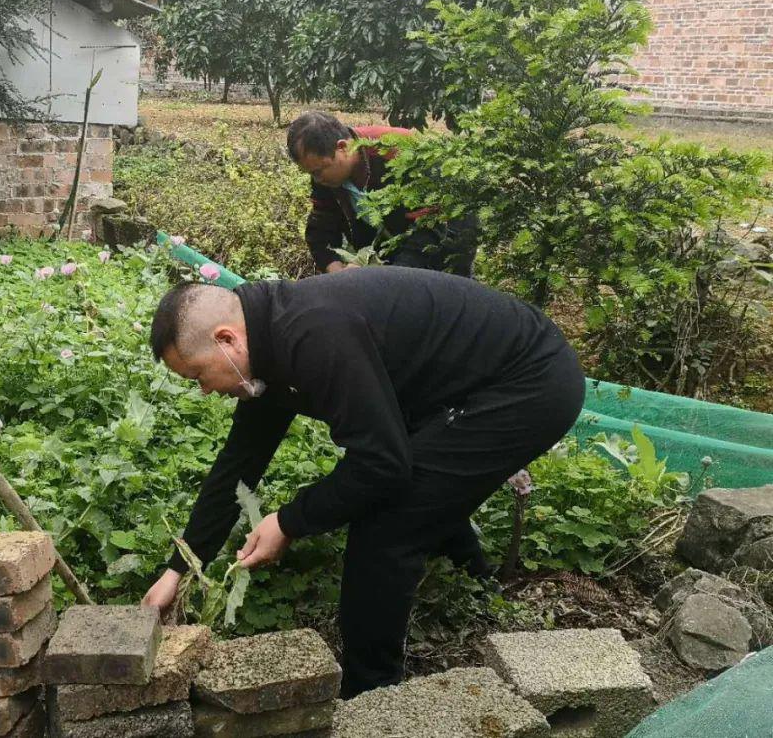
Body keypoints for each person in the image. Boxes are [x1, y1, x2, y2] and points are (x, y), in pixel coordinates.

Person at [142, 267, 584, 698]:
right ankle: (473, 578)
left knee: (387, 525)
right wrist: (179, 568)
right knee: (422, 479)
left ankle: (372, 696)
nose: (204, 391)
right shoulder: (266, 347)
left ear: (226, 340)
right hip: (464, 385)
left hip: (530, 383)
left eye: (198, 376)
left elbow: (382, 465)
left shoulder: (313, 335)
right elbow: (237, 466)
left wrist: (291, 521)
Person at [287, 111, 478, 277]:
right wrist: (336, 270)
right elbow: (321, 229)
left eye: (318, 171)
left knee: (444, 293)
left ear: (342, 148)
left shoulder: (397, 152)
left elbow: (428, 230)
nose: (316, 179)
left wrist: (389, 278)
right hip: (394, 235)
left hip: (447, 228)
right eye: (311, 172)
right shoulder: (327, 175)